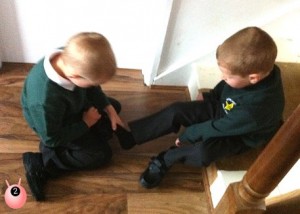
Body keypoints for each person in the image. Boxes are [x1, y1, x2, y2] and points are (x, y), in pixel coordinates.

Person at [120, 26, 285, 188]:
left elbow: (218, 127)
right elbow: (227, 87)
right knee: (177, 110)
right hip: (227, 111)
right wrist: (211, 95)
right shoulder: (257, 71)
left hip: (240, 134)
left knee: (202, 151)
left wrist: (188, 136)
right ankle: (133, 136)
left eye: (227, 77)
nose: (222, 78)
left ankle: (166, 159)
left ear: (253, 78)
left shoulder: (255, 111)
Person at [21, 32, 134, 201]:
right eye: (93, 83)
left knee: (114, 106)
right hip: (56, 126)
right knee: (101, 155)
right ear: (74, 77)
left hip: (72, 103)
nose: (96, 86)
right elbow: (51, 137)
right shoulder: (45, 101)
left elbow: (92, 89)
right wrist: (85, 123)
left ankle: (97, 128)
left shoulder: (69, 57)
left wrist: (108, 108)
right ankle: (45, 164)